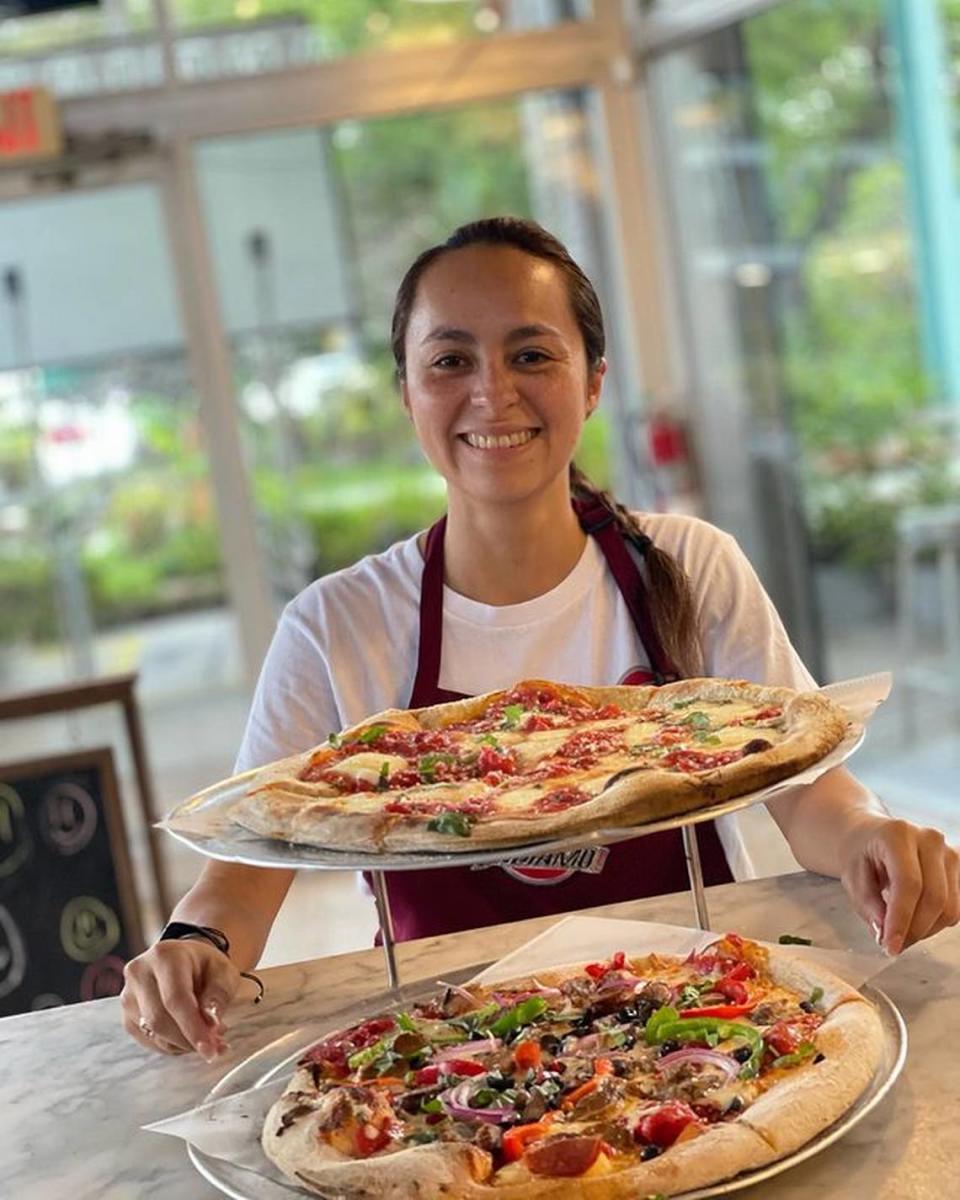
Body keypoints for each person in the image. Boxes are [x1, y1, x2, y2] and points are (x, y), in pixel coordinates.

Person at [121, 216, 959, 1060]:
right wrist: (196, 946)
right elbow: (244, 871)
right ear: (407, 392)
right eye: (450, 361)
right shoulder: (336, 625)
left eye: (531, 355)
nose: (493, 392)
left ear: (593, 381)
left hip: (700, 1021)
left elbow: (811, 791)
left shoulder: (691, 563)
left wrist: (869, 836)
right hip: (449, 1055)